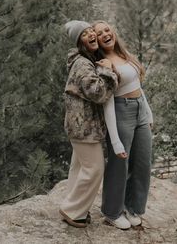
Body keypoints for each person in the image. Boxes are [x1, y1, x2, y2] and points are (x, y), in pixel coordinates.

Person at [59, 20, 126, 228]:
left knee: (78, 168)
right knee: (95, 168)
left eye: (91, 32)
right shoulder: (82, 63)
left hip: (79, 125)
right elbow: (97, 93)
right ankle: (72, 211)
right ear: (79, 42)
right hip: (83, 127)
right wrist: (109, 72)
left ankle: (73, 206)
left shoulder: (84, 60)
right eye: (85, 34)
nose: (91, 35)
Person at [93, 21, 153, 230]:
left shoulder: (124, 53)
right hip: (121, 111)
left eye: (107, 30)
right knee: (119, 164)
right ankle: (112, 212)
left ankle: (133, 207)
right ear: (97, 41)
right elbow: (107, 101)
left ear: (113, 32)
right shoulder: (103, 63)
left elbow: (138, 85)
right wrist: (115, 140)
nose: (105, 34)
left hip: (140, 110)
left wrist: (148, 111)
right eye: (99, 34)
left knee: (143, 162)